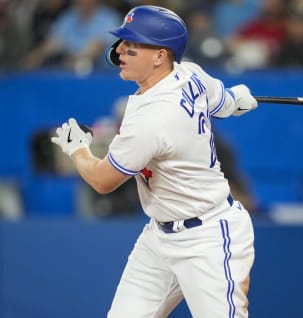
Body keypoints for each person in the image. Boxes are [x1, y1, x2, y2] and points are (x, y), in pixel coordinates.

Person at [50, 5, 257, 318]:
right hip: (160, 238)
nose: (119, 50)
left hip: (209, 238)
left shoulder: (154, 117)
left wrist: (78, 149)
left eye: (131, 46)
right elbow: (223, 100)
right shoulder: (189, 72)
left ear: (160, 56)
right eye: (122, 43)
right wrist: (236, 99)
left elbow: (102, 180)